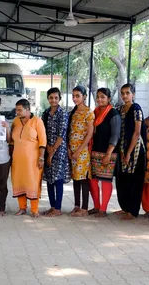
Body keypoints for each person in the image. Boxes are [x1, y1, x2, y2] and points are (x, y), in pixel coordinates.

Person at [11, 99, 47, 218]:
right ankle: (22, 208)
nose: (17, 112)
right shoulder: (16, 121)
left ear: (28, 110)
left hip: (33, 160)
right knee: (19, 181)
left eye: (20, 110)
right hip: (17, 159)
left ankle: (34, 209)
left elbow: (43, 141)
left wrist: (41, 158)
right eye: (16, 110)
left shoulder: (37, 121)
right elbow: (11, 140)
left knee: (32, 182)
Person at [115, 83, 146, 220]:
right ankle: (125, 207)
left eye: (127, 93)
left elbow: (137, 132)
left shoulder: (136, 109)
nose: (125, 96)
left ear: (133, 94)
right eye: (123, 93)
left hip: (136, 149)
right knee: (123, 179)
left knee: (134, 180)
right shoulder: (120, 109)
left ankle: (133, 211)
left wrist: (129, 152)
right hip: (121, 148)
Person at [89, 88, 120, 218]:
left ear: (108, 99)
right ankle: (96, 206)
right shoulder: (95, 112)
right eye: (98, 97)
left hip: (108, 153)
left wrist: (108, 154)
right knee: (93, 180)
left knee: (106, 181)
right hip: (95, 151)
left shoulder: (113, 114)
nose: (100, 99)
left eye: (103, 97)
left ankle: (103, 209)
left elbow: (115, 135)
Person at [41, 88, 69, 217]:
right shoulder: (45, 113)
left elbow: (62, 134)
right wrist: (47, 148)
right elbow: (42, 132)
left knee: (58, 179)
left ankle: (58, 208)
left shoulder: (63, 113)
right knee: (50, 179)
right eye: (51, 98)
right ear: (48, 98)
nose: (53, 100)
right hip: (47, 148)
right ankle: (52, 206)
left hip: (59, 150)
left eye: (56, 98)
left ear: (59, 99)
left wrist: (52, 151)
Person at [67, 85, 94, 217]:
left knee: (83, 178)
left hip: (82, 151)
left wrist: (78, 151)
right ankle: (76, 205)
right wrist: (69, 149)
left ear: (84, 96)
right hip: (72, 150)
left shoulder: (89, 112)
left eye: (78, 96)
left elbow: (89, 134)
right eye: (73, 96)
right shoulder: (73, 112)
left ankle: (84, 208)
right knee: (76, 179)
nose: (75, 98)